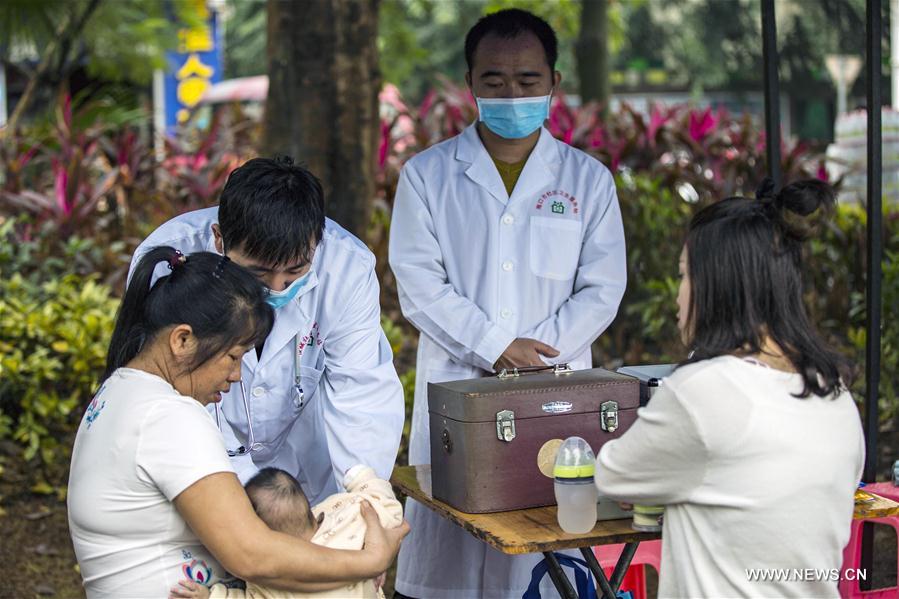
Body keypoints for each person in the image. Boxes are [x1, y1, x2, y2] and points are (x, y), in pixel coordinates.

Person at [388, 8, 627, 598]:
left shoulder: (587, 180)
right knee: (452, 559)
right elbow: (417, 283)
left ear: (554, 83)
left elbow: (602, 287)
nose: (511, 94)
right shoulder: (427, 177)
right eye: (494, 82)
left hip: (556, 388)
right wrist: (498, 347)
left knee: (544, 558)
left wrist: (536, 354)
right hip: (457, 388)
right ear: (470, 85)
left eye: (527, 81)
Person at [69, 248, 408, 598]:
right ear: (182, 340)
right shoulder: (169, 416)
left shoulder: (120, 390)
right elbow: (252, 554)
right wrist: (370, 560)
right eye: (233, 357)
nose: (235, 376)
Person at [594, 179, 865, 598]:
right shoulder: (835, 395)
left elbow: (613, 475)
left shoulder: (704, 389)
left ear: (717, 285)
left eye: (684, 276)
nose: (678, 299)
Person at [129, 156, 404, 506]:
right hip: (196, 456)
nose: (277, 287)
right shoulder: (169, 264)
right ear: (219, 239)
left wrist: (363, 495)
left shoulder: (347, 267)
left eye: (294, 272)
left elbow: (362, 393)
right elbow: (179, 390)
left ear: (317, 243)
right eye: (258, 274)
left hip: (299, 458)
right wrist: (247, 508)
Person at [170, 465, 403, 599]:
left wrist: (210, 596)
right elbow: (384, 501)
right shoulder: (354, 515)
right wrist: (362, 477)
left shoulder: (279, 577)